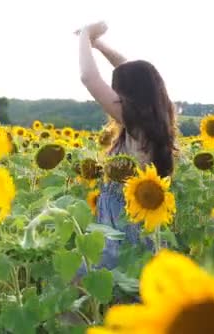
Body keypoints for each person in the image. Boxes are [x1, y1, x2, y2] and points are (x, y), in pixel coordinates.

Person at [75, 21, 177, 276]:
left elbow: (89, 78)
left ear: (128, 96)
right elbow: (132, 72)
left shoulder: (134, 123)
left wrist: (85, 34)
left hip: (120, 222)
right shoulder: (159, 117)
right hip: (133, 218)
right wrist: (97, 45)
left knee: (94, 282)